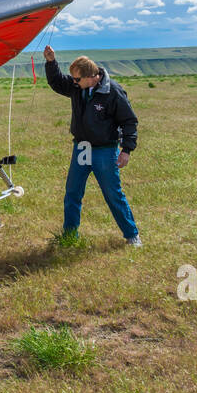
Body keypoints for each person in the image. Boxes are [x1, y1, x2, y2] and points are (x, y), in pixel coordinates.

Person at [43, 45, 142, 246]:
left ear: (91, 77)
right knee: (72, 192)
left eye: (77, 79)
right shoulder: (77, 87)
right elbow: (57, 82)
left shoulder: (112, 91)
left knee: (113, 194)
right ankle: (70, 236)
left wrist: (126, 150)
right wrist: (51, 62)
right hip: (81, 148)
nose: (73, 82)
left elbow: (129, 121)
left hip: (105, 150)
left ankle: (132, 236)